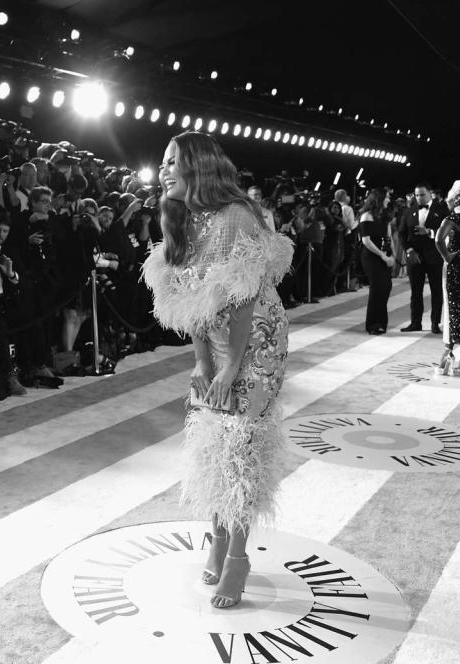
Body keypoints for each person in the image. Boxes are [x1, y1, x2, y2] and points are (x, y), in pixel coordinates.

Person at [142, 131, 293, 609]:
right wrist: (203, 362)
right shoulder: (182, 220)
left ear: (198, 166)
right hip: (216, 340)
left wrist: (230, 367)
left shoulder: (236, 216)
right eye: (162, 162)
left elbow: (245, 297)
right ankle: (219, 540)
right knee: (212, 440)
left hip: (259, 341)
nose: (164, 170)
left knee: (243, 448)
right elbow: (189, 305)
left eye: (172, 162)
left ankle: (239, 559)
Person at [434, 179, 460, 375]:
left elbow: (438, 239)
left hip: (455, 270)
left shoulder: (453, 219)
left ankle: (451, 352)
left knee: (452, 310)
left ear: (457, 198)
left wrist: (447, 256)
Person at [399, 183, 448, 333]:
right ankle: (415, 323)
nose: (419, 198)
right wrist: (409, 250)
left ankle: (435, 324)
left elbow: (447, 232)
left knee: (436, 292)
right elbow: (402, 234)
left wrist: (428, 232)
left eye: (422, 194)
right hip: (415, 258)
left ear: (429, 194)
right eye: (417, 195)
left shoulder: (441, 209)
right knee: (415, 292)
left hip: (434, 256)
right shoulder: (409, 211)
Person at [358, 188, 396, 334]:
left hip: (384, 256)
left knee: (386, 287)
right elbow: (366, 241)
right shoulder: (366, 216)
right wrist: (383, 256)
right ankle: (372, 324)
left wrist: (392, 255)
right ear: (378, 199)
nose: (388, 200)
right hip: (371, 257)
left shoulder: (384, 216)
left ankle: (381, 322)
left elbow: (389, 237)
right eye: (386, 197)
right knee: (377, 288)